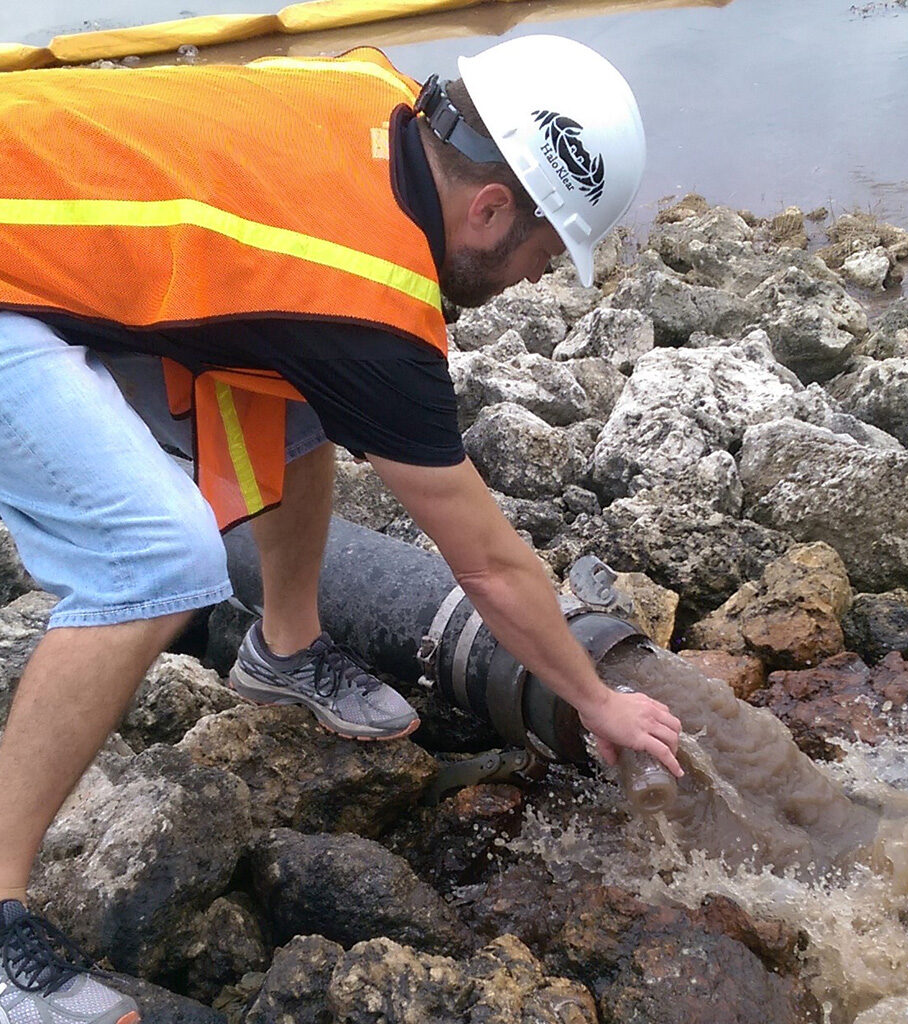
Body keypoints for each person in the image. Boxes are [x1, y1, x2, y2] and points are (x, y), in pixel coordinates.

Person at [0, 33, 682, 1021]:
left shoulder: (374, 90)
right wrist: (594, 697)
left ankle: (285, 647)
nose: (537, 281)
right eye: (545, 254)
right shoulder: (365, 299)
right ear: (491, 208)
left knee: (298, 386)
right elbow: (488, 564)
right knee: (154, 556)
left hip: (49, 234)